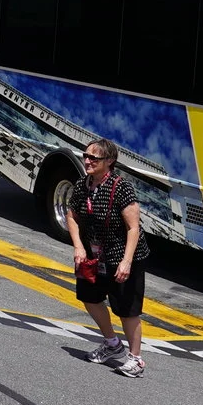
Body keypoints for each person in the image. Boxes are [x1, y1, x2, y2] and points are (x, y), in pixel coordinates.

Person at [67, 138, 147, 377]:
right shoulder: (82, 185)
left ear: (110, 161)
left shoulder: (121, 188)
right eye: (86, 156)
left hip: (122, 255)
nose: (87, 161)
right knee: (89, 297)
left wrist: (126, 261)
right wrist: (78, 246)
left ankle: (136, 359)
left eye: (94, 158)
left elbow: (133, 228)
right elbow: (72, 215)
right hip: (94, 254)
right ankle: (112, 344)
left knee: (127, 309)